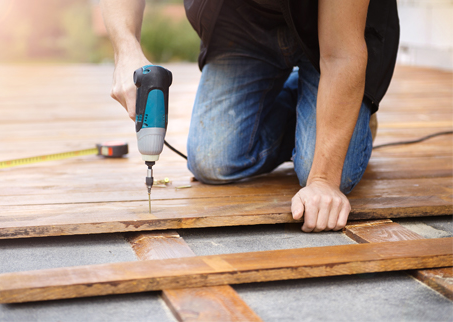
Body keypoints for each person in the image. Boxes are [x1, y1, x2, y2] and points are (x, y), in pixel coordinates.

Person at [100, 0, 399, 233]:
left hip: (339, 30)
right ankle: (323, 105)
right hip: (243, 22)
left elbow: (342, 55)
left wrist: (323, 181)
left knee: (330, 174)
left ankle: (352, 107)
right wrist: (126, 50)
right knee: (211, 161)